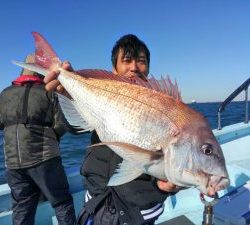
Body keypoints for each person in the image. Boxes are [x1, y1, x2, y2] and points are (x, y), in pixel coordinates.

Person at [44, 35, 181, 225]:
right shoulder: (102, 95)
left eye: (141, 61)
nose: (134, 67)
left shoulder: (161, 105)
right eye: (127, 61)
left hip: (139, 210)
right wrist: (68, 93)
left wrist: (164, 187)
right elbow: (74, 128)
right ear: (114, 69)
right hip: (96, 200)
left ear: (148, 68)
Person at [0, 54, 76, 225]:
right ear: (41, 71)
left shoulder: (4, 94)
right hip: (46, 161)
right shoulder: (49, 93)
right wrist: (53, 137)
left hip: (14, 164)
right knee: (62, 203)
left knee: (22, 209)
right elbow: (63, 124)